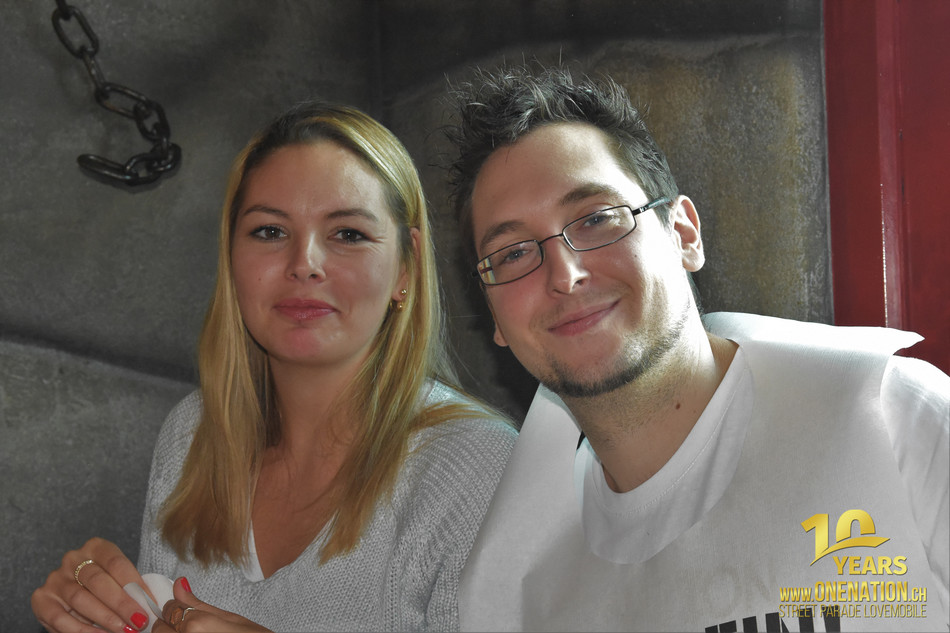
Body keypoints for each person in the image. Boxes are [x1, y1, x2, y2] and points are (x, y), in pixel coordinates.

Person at [445, 66, 949, 632]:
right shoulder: (510, 588)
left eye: (596, 219)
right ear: (493, 315)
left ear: (683, 234)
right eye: (513, 253)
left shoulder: (892, 415)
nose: (565, 275)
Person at [31, 101, 516, 633]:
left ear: (406, 266)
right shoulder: (193, 434)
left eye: (348, 234)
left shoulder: (479, 466)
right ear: (230, 257)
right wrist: (96, 613)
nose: (303, 264)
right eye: (269, 232)